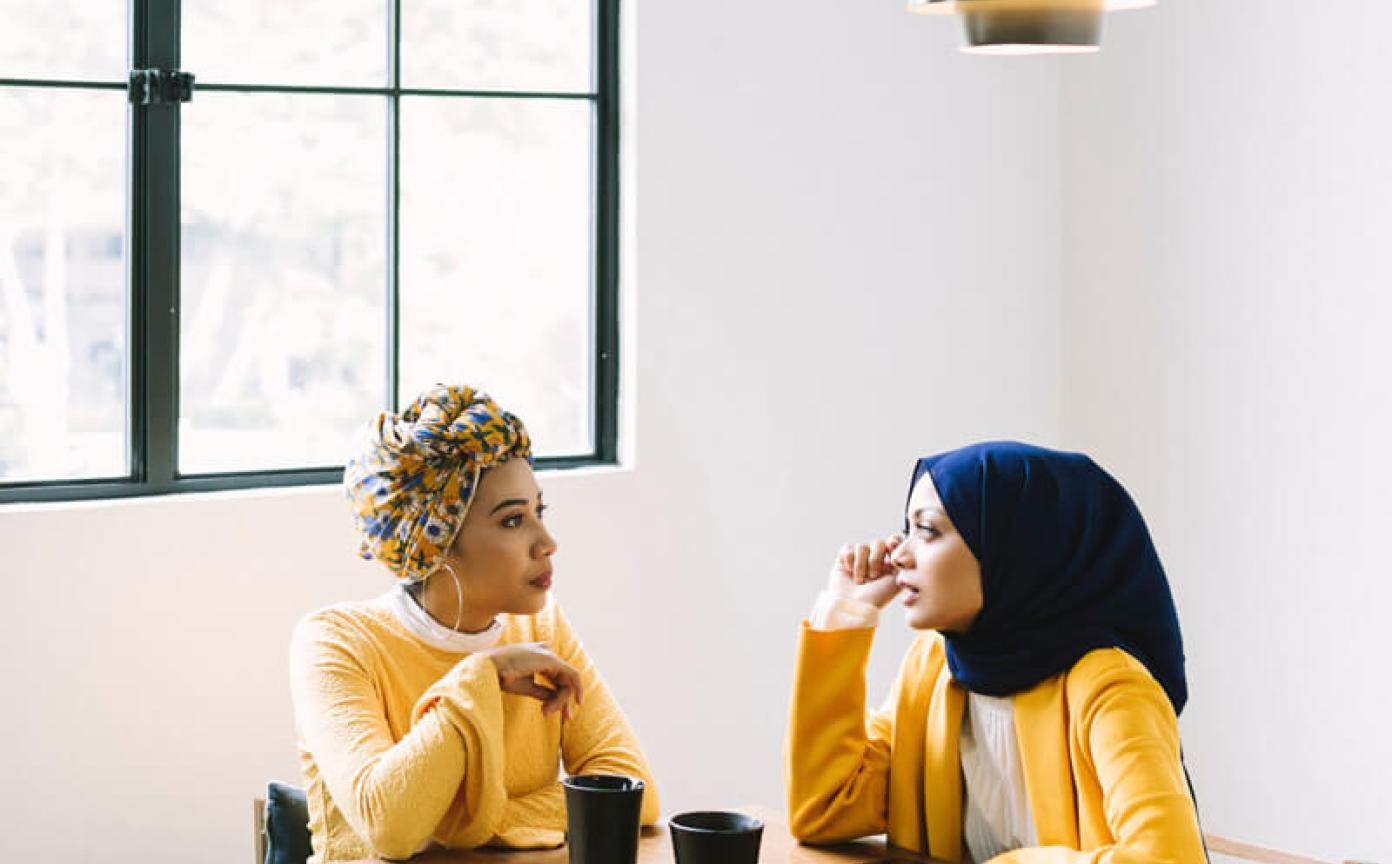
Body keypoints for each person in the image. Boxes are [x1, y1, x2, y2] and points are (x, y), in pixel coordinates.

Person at [785, 441, 1205, 863]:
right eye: (906, 528)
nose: (898, 553)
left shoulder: (1110, 688)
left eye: (927, 530)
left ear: (1013, 546)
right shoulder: (932, 668)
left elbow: (1170, 860)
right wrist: (843, 613)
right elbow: (825, 808)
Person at [290, 384, 659, 862]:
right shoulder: (335, 643)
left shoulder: (543, 629)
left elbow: (633, 793)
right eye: (512, 521)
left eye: (539, 512)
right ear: (436, 541)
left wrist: (470, 822)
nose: (547, 541)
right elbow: (391, 828)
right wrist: (483, 675)